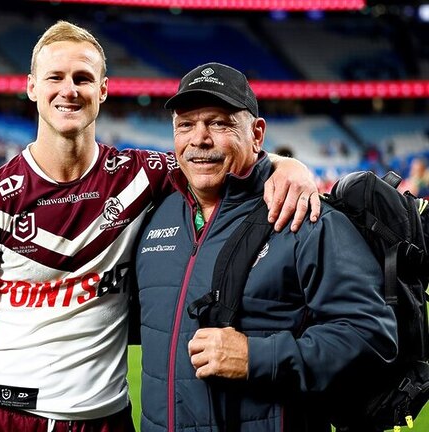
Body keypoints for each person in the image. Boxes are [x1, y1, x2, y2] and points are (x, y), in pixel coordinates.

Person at [0, 21, 321, 432]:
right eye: (55, 78)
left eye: (83, 78)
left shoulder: (141, 175)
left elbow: (223, 159)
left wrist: (288, 165)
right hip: (9, 415)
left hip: (108, 419)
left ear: (102, 89)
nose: (69, 90)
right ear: (31, 87)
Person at [134, 62, 398, 432]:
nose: (199, 139)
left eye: (219, 123)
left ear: (257, 134)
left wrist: (257, 356)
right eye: (186, 124)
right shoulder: (156, 214)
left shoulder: (306, 217)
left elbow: (371, 338)